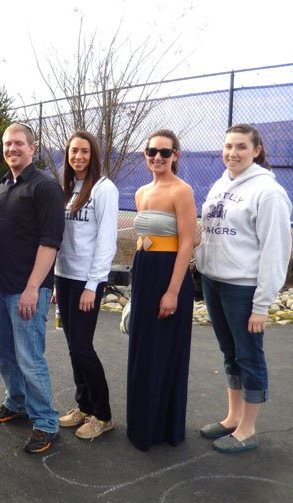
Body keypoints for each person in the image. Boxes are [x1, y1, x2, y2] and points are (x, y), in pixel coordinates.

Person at [195, 124, 292, 453]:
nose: (232, 153)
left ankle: (248, 430)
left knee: (250, 356)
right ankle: (233, 417)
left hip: (244, 288)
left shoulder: (268, 192)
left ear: (257, 150)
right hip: (214, 282)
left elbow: (275, 250)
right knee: (230, 354)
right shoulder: (221, 184)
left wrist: (262, 303)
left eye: (240, 147)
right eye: (227, 146)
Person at [0, 122, 64, 453]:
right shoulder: (4, 186)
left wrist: (34, 288)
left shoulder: (45, 187)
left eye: (18, 143)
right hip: (1, 287)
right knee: (4, 353)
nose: (12, 149)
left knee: (30, 357)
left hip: (27, 289)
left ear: (32, 148)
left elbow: (50, 242)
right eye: (7, 144)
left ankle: (45, 422)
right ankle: (15, 402)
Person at [127, 129, 196, 452]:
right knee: (142, 351)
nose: (157, 157)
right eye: (151, 151)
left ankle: (163, 428)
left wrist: (172, 291)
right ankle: (141, 425)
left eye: (164, 152)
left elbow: (186, 245)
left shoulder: (181, 191)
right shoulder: (142, 192)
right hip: (143, 272)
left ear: (175, 156)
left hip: (170, 275)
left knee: (162, 351)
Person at [54, 131, 119, 440]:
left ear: (93, 154)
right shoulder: (67, 188)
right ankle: (84, 405)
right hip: (64, 277)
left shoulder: (104, 189)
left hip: (86, 280)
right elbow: (62, 238)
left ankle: (103, 415)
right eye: (73, 151)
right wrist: (56, 277)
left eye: (84, 151)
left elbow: (107, 240)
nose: (78, 156)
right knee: (72, 346)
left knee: (82, 346)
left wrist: (93, 284)